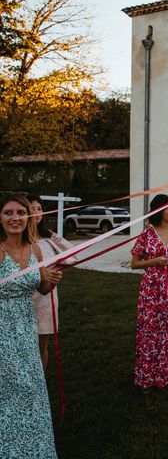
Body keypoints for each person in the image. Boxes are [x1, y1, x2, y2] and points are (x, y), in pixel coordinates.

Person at [0, 193, 63, 458]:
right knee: (10, 387)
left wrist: (52, 279)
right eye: (8, 213)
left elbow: (41, 287)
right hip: (2, 326)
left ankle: (36, 449)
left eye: (20, 213)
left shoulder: (36, 248)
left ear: (29, 217)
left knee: (33, 386)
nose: (15, 218)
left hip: (26, 326)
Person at [131, 194, 168, 389]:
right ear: (159, 211)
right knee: (152, 329)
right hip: (152, 289)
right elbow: (134, 263)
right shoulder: (146, 235)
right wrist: (154, 262)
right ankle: (151, 375)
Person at [27, 194, 74, 369]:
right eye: (32, 209)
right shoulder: (14, 240)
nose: (36, 213)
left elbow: (72, 257)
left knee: (41, 346)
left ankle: (40, 384)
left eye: (39, 209)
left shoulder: (48, 237)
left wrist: (53, 273)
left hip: (45, 298)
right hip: (22, 296)